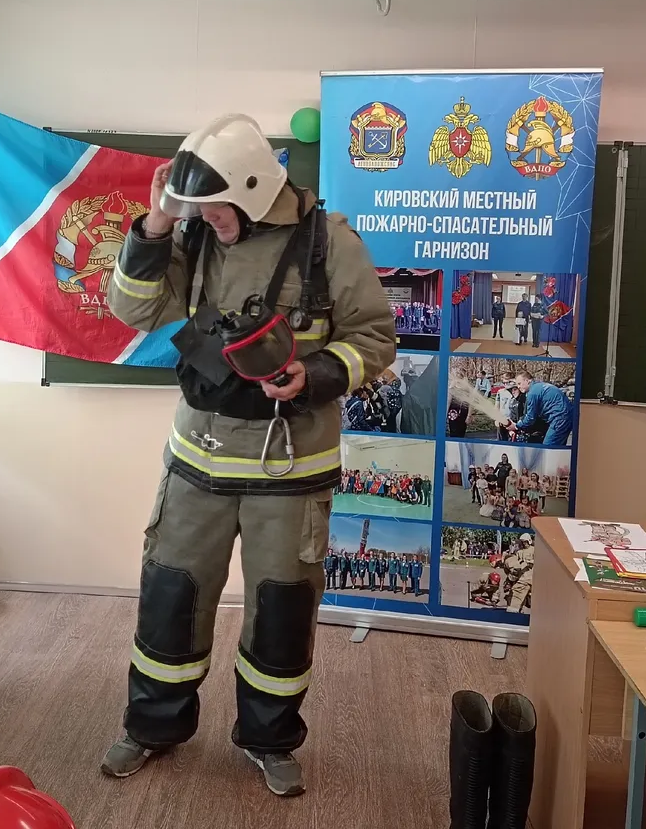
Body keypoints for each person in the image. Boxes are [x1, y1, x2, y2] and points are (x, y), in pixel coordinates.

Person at [103, 114, 397, 795]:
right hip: (197, 462)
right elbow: (132, 310)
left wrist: (314, 374)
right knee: (170, 597)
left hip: (290, 468)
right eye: (198, 209)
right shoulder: (193, 235)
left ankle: (269, 740)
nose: (207, 218)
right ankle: (152, 727)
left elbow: (375, 339)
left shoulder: (330, 242)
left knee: (282, 611)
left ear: (256, 189)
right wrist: (156, 226)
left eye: (217, 207)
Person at [505, 371, 574, 447]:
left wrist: (516, 426)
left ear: (528, 381)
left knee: (547, 448)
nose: (518, 387)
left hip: (559, 418)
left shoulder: (532, 393)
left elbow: (530, 418)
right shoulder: (539, 386)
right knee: (558, 448)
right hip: (568, 415)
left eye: (519, 383)